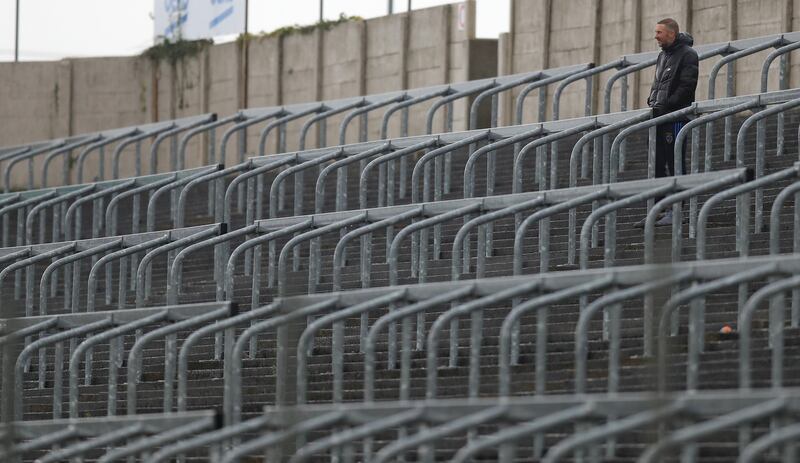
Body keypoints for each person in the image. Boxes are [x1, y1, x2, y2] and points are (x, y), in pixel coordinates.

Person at [639, 18, 699, 227]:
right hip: (659, 117)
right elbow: (658, 84)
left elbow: (687, 86)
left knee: (675, 164)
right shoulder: (663, 55)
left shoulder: (688, 54)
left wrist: (668, 105)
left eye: (659, 32)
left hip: (675, 118)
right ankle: (658, 209)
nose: (655, 36)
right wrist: (652, 101)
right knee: (656, 164)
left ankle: (676, 211)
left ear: (671, 34)